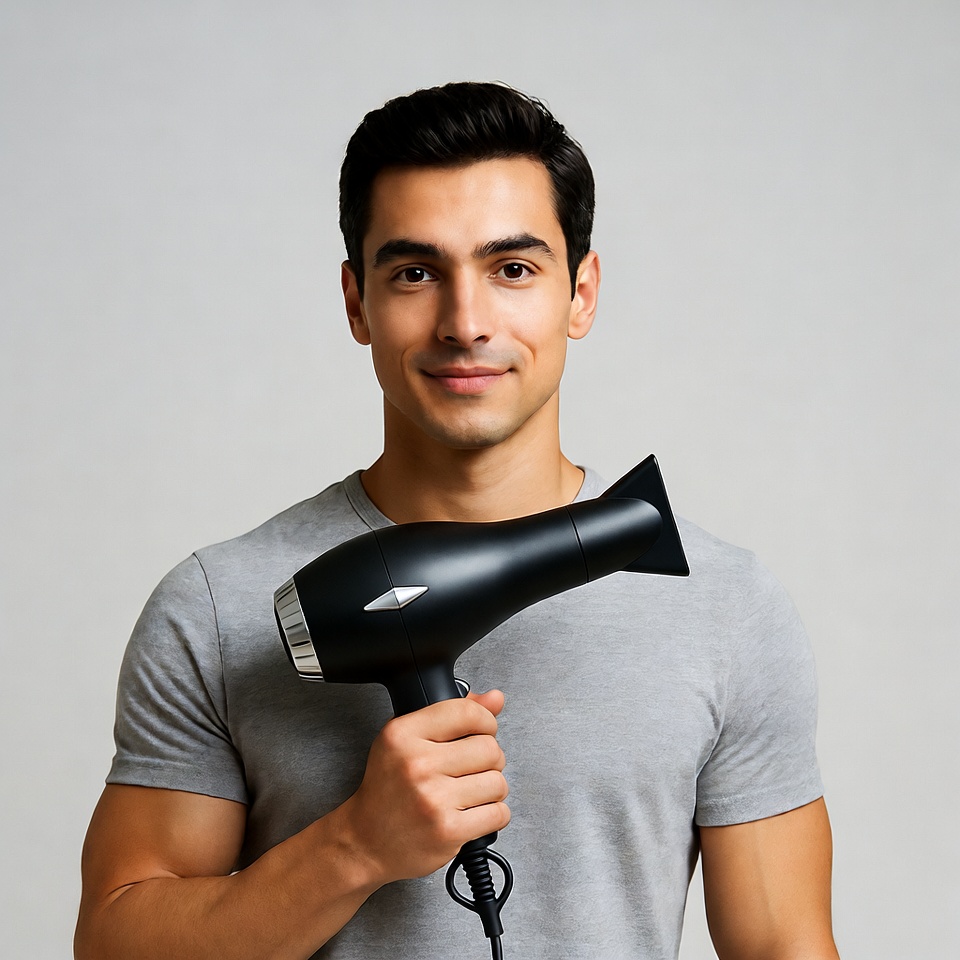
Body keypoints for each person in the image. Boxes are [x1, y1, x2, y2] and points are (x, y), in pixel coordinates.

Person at [75, 82, 840, 960]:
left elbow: (786, 945)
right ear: (357, 302)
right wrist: (355, 846)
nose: (465, 323)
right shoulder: (218, 606)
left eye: (512, 269)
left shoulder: (724, 605)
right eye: (414, 273)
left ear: (580, 293)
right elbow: (113, 945)